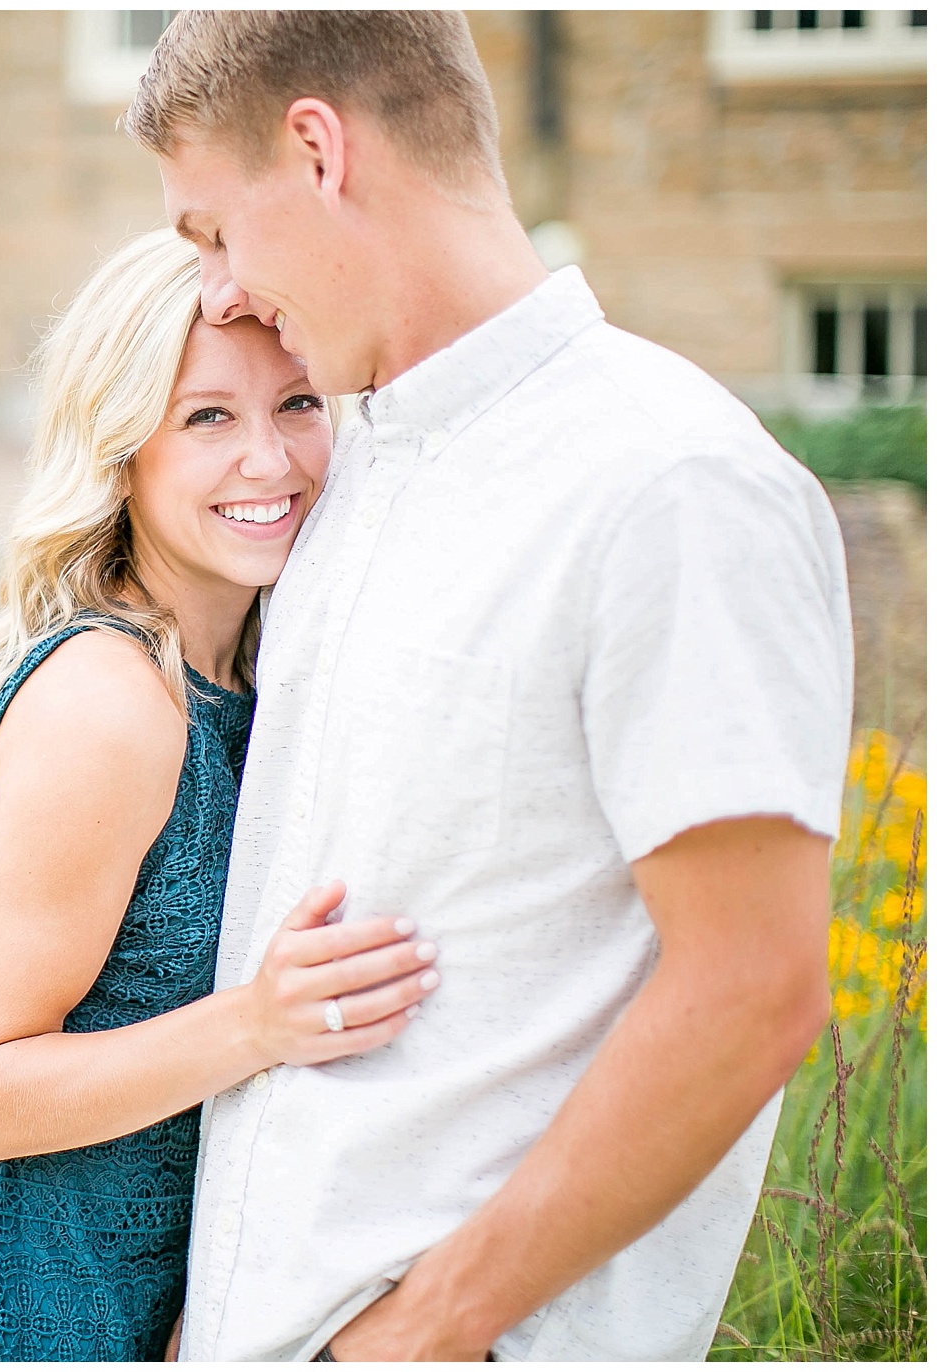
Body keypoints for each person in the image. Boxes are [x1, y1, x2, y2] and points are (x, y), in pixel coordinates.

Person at [122, 11, 854, 1362]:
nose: (220, 294)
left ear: (318, 150)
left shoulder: (668, 486)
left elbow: (755, 987)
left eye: (216, 234)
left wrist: (425, 1329)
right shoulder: (349, 478)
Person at [0, 228, 444, 1361]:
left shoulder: (254, 680)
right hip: (13, 1317)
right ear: (121, 449)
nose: (268, 461)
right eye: (206, 417)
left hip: (154, 1313)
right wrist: (257, 1025)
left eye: (298, 405)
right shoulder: (108, 703)